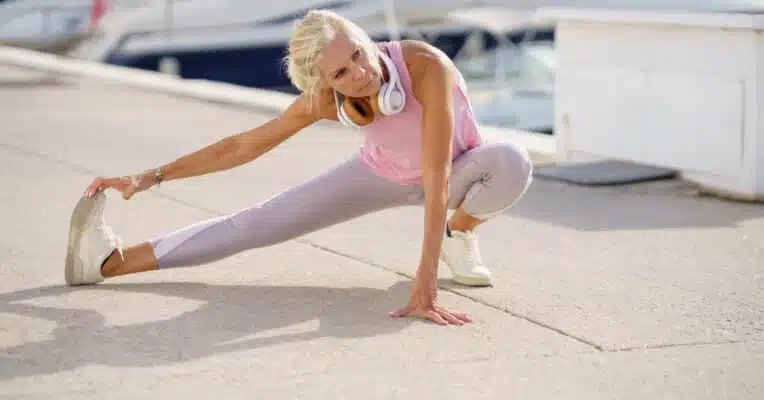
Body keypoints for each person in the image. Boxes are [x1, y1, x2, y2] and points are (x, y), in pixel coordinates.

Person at [65, 9, 533, 326]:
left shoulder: (427, 67)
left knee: (511, 162)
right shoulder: (325, 101)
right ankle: (105, 261)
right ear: (325, 83)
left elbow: (437, 174)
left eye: (358, 53)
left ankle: (460, 231)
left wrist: (425, 280)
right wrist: (153, 175)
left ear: (365, 39)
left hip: (455, 173)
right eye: (341, 74)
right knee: (251, 225)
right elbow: (241, 147)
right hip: (379, 174)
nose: (362, 73)